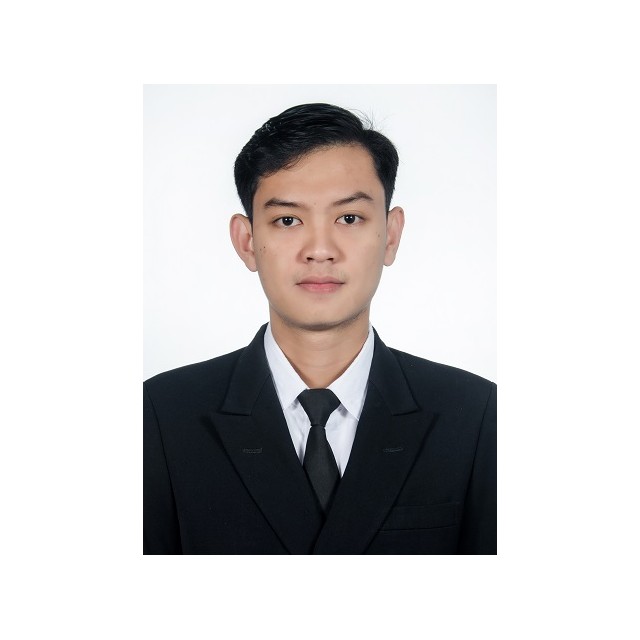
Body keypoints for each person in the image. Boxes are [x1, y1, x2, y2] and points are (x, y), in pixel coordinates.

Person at [143, 103, 496, 554]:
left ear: (390, 235)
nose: (320, 250)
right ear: (247, 241)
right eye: (288, 220)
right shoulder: (159, 416)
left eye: (349, 218)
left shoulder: (477, 415)